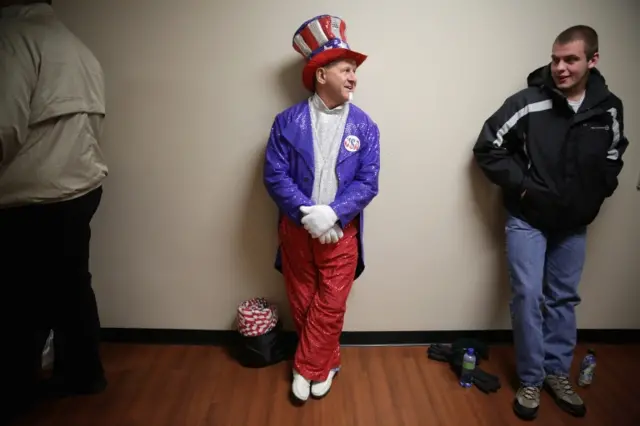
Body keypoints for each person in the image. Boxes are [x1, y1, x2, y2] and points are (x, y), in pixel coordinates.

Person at [473, 25, 628, 420]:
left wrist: (600, 191)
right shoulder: (528, 102)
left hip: (573, 223)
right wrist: (525, 189)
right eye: (556, 59)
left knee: (563, 298)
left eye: (570, 60)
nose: (560, 67)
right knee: (527, 295)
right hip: (528, 218)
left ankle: (557, 373)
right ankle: (530, 377)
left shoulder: (608, 107)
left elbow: (614, 153)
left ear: (592, 60)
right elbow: (488, 147)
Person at [263, 14, 380, 404]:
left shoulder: (366, 127)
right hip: (296, 231)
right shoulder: (286, 122)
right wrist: (306, 214)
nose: (353, 77)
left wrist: (332, 214)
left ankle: (307, 366)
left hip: (342, 231)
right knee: (302, 298)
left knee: (330, 301)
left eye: (354, 71)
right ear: (320, 75)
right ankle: (325, 362)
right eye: (346, 69)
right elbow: (275, 175)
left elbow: (368, 181)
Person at [0, 0, 108, 418]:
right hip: (79, 187)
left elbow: (4, 127)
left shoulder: (13, 39)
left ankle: (16, 393)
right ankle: (84, 374)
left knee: (18, 299)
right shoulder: (76, 46)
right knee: (71, 287)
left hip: (30, 193)